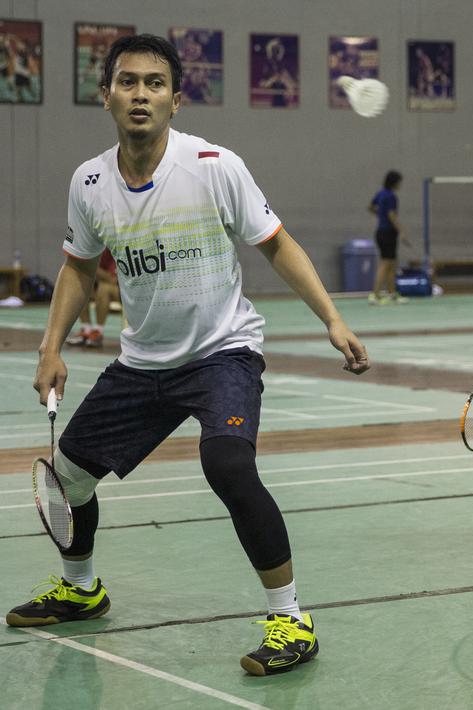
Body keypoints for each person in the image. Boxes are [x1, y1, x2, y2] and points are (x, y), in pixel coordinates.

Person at [6, 35, 370, 677]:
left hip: (221, 353)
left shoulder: (213, 165)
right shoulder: (89, 182)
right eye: (127, 82)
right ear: (107, 95)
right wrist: (51, 347)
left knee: (227, 464)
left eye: (153, 83)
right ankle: (82, 588)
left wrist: (333, 319)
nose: (139, 94)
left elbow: (277, 244)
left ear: (176, 99)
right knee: (69, 475)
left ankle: (291, 618)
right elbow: (77, 269)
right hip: (142, 363)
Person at [65, 248, 119, 348]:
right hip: (109, 285)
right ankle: (87, 329)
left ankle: (98, 331)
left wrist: (96, 270)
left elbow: (114, 280)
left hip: (125, 291)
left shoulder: (119, 246)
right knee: (81, 287)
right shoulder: (101, 249)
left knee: (104, 288)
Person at [368, 170, 406, 304]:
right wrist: (401, 230)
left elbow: (371, 207)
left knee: (391, 263)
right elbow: (392, 215)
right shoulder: (391, 196)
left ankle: (392, 293)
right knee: (385, 263)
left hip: (380, 232)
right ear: (394, 183)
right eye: (399, 182)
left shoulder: (380, 193)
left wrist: (380, 215)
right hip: (388, 233)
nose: (400, 185)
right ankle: (374, 294)